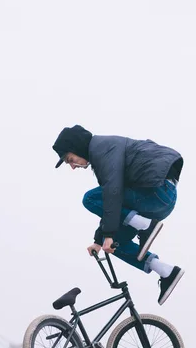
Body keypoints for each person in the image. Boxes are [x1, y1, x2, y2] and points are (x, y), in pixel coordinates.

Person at [52, 125, 185, 305]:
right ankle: (166, 271)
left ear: (77, 148)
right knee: (115, 244)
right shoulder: (100, 152)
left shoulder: (102, 148)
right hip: (158, 202)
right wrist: (100, 240)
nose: (73, 166)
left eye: (70, 159)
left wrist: (107, 234)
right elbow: (113, 202)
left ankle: (145, 226)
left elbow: (113, 193)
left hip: (157, 191)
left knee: (90, 198)